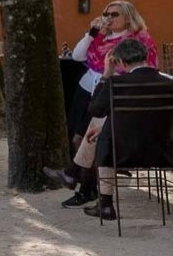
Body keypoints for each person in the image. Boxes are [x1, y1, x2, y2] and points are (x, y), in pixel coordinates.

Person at [45, 38, 172, 221]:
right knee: (102, 132)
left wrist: (106, 74)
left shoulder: (116, 84)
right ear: (146, 56)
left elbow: (95, 110)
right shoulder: (169, 83)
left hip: (121, 153)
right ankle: (73, 176)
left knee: (101, 138)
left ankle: (105, 205)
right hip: (163, 152)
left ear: (120, 62)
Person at [61, 0, 158, 207]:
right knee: (79, 137)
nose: (109, 18)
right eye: (106, 13)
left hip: (120, 92)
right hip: (91, 89)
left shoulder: (139, 39)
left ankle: (83, 186)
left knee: (94, 137)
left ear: (128, 17)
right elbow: (78, 56)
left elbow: (147, 69)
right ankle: (85, 187)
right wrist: (92, 32)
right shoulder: (100, 35)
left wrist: (112, 77)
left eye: (115, 14)